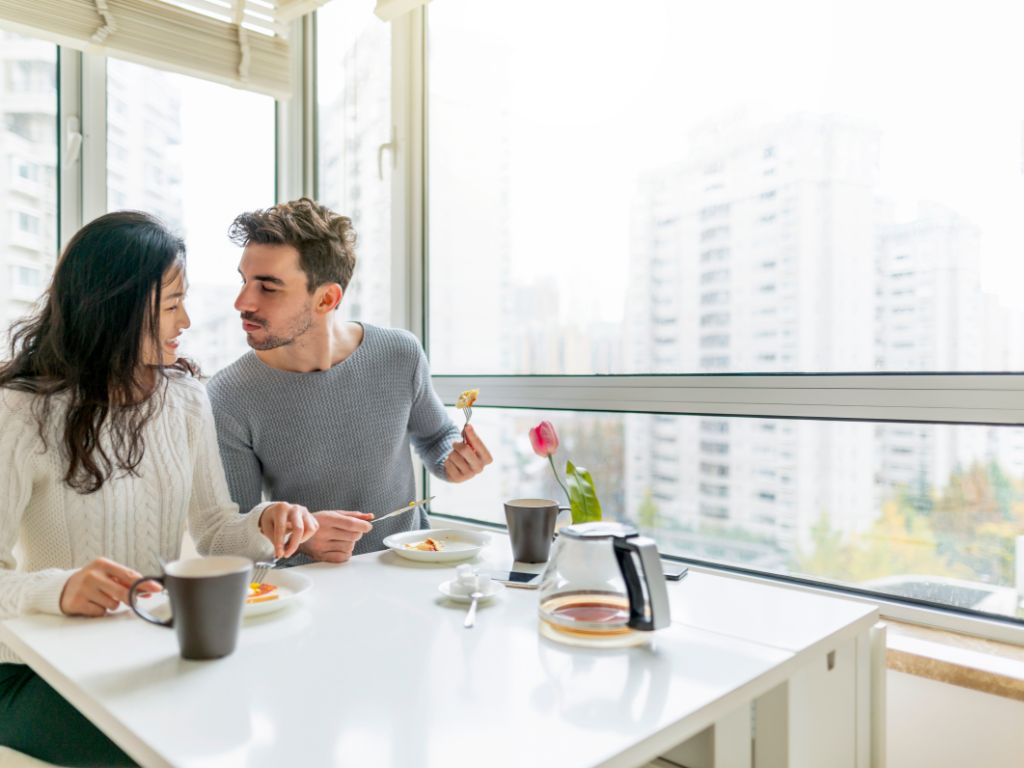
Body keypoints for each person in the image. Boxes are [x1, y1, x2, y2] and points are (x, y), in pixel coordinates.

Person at [0, 211, 318, 767]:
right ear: (113, 308)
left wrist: (264, 523)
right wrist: (59, 590)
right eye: (171, 305)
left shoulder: (185, 398)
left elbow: (216, 532)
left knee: (269, 718)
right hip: (32, 670)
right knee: (167, 750)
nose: (187, 320)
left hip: (146, 649)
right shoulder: (21, 410)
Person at [207, 198, 492, 566]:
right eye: (244, 281)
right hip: (311, 590)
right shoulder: (228, 395)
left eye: (268, 287)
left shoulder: (399, 354)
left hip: (409, 568)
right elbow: (234, 528)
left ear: (326, 298)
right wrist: (301, 537)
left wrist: (454, 460)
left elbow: (437, 438)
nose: (242, 301)